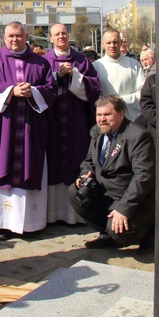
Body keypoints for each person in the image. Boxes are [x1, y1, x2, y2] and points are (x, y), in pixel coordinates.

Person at [0, 22, 56, 237]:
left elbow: (51, 90)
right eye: (11, 36)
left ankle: (29, 223)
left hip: (31, 128)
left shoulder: (40, 62)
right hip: (3, 125)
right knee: (1, 164)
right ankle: (1, 224)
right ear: (4, 37)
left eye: (19, 36)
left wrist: (33, 92)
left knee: (29, 165)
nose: (15, 40)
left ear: (26, 36)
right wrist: (12, 90)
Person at [67, 95, 155, 253]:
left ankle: (148, 234)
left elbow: (143, 177)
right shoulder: (98, 132)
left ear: (121, 113)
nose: (102, 119)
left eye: (107, 115)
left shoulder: (138, 137)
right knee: (75, 193)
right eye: (99, 115)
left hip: (131, 199)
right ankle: (107, 233)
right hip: (106, 194)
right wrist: (85, 174)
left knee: (119, 232)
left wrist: (124, 209)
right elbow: (89, 161)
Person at [43, 23, 101, 224]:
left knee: (76, 159)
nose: (61, 36)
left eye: (64, 33)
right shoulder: (44, 61)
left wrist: (75, 76)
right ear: (50, 38)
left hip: (76, 121)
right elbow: (39, 87)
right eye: (57, 34)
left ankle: (74, 214)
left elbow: (95, 87)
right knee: (53, 161)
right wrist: (56, 77)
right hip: (52, 123)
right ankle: (52, 214)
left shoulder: (81, 60)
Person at [93, 29, 145, 122]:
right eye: (109, 42)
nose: (112, 45)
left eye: (115, 42)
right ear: (102, 44)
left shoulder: (134, 64)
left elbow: (142, 92)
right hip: (106, 120)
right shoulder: (96, 66)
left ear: (121, 43)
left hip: (130, 118)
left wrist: (123, 100)